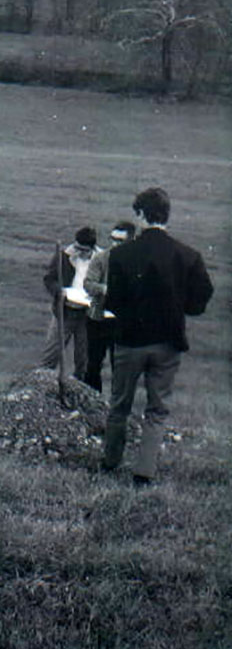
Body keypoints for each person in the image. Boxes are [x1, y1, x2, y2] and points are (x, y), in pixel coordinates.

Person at [101, 187, 213, 484]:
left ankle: (110, 462)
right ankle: (144, 472)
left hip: (129, 342)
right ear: (167, 216)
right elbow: (203, 295)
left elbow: (112, 301)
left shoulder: (122, 254)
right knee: (157, 408)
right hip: (168, 342)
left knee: (119, 405)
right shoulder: (188, 255)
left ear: (139, 215)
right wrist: (182, 307)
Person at [40, 226, 99, 383]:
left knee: (83, 359)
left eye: (83, 250)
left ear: (92, 249)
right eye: (77, 248)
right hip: (64, 312)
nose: (78, 252)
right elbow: (49, 279)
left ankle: (77, 392)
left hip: (87, 315)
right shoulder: (64, 256)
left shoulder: (101, 260)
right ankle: (40, 389)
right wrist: (60, 291)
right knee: (50, 356)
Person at [83, 221, 136, 393]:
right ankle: (92, 403)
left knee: (120, 368)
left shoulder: (137, 263)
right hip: (98, 319)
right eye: (113, 239)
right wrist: (104, 289)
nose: (114, 244)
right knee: (93, 365)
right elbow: (88, 283)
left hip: (123, 322)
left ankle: (117, 409)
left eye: (120, 241)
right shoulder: (101, 258)